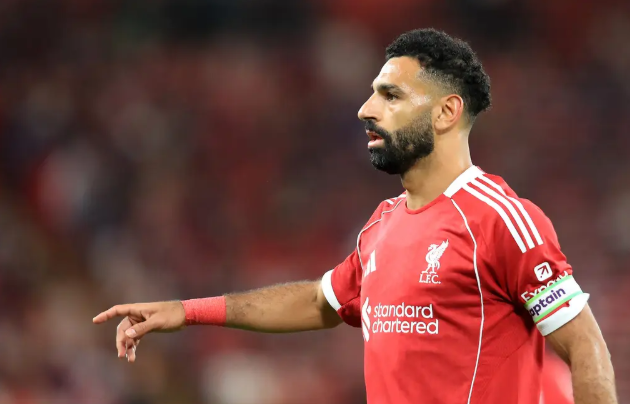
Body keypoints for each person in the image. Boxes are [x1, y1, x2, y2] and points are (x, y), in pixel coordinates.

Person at [93, 29, 617, 404]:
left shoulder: (500, 218)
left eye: (390, 95)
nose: (366, 109)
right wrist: (187, 311)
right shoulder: (382, 224)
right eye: (372, 93)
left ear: (446, 112)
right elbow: (319, 301)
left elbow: (584, 345)